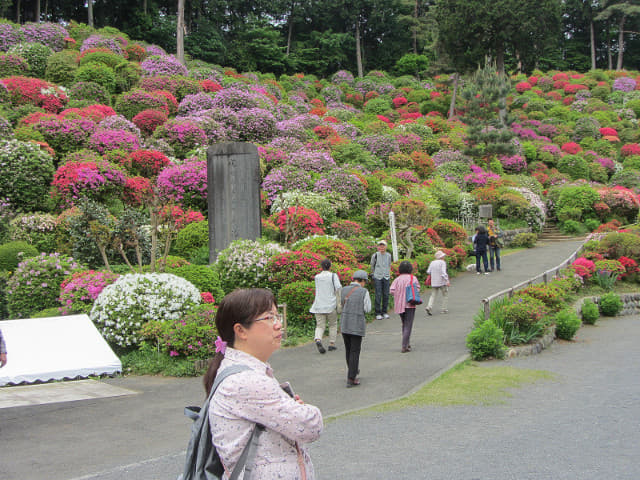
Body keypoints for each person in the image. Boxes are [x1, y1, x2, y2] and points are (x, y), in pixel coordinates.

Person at [204, 288, 323, 479]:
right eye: (269, 318)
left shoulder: (242, 370)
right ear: (240, 330)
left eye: (277, 317)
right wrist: (304, 410)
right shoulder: (247, 381)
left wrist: (289, 408)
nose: (278, 325)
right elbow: (311, 426)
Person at [339, 270, 371, 388]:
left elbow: (339, 305)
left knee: (348, 349)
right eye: (365, 281)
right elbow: (367, 308)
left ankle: (352, 371)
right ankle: (351, 378)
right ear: (362, 281)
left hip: (345, 323)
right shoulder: (364, 292)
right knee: (355, 351)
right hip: (357, 324)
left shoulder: (343, 290)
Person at [309, 258, 341, 354]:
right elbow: (338, 288)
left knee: (320, 326)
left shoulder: (317, 277)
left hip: (318, 305)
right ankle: (331, 344)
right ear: (330, 266)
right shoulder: (333, 276)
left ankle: (318, 339)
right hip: (330, 305)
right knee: (333, 324)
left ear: (321, 267)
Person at [389, 261, 421, 353]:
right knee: (408, 324)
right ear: (410, 269)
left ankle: (407, 343)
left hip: (399, 304)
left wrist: (399, 294)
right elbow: (417, 289)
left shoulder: (397, 279)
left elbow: (391, 290)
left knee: (404, 324)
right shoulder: (413, 278)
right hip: (410, 303)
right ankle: (404, 345)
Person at [370, 239, 392, 320]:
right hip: (377, 276)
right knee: (378, 294)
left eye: (383, 245)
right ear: (378, 247)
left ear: (386, 247)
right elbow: (372, 265)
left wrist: (388, 273)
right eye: (380, 245)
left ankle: (385, 312)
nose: (381, 247)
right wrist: (373, 274)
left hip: (386, 276)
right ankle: (378, 312)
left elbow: (389, 265)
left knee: (386, 294)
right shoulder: (375, 255)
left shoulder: (389, 255)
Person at [426, 251, 450, 315]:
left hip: (434, 282)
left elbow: (428, 271)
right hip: (442, 282)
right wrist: (447, 280)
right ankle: (444, 309)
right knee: (445, 295)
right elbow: (443, 272)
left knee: (433, 295)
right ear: (441, 257)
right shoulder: (442, 262)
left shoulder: (432, 262)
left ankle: (429, 306)